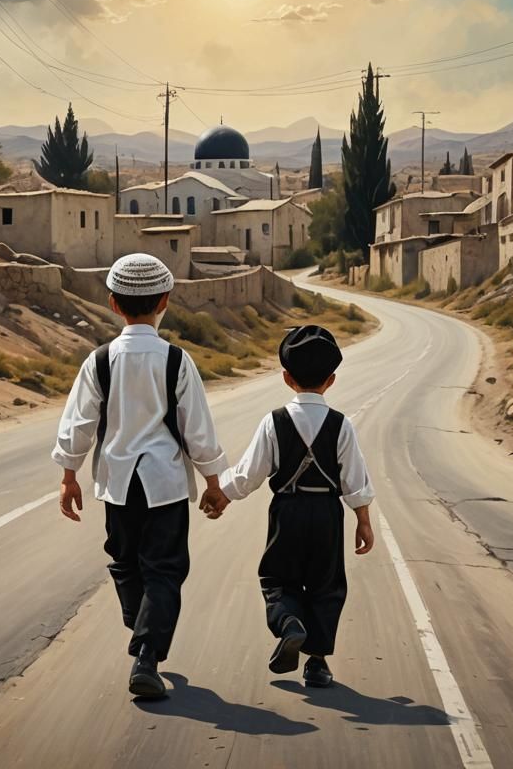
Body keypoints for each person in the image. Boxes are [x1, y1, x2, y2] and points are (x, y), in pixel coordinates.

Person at [52, 253, 230, 700]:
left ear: (113, 304)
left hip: (116, 484)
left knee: (124, 561)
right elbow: (197, 428)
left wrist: (69, 474)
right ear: (165, 301)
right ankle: (147, 648)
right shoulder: (176, 360)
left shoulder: (99, 361)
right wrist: (213, 480)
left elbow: (78, 424)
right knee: (165, 570)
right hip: (165, 484)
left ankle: (143, 631)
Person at [213, 324, 375, 688]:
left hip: (287, 511)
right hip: (327, 515)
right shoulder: (341, 425)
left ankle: (289, 623)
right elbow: (355, 479)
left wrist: (222, 495)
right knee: (326, 584)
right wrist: (363, 521)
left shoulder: (274, 422)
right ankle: (316, 663)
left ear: (286, 378)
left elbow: (249, 473)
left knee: (277, 578)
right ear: (331, 380)